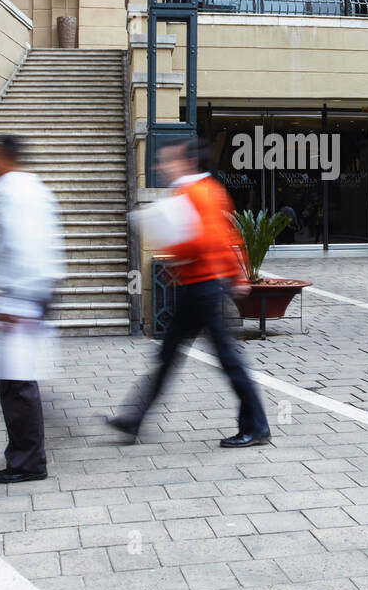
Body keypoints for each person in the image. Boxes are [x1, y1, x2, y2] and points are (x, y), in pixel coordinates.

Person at [107, 137, 271, 448]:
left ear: (186, 162)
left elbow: (204, 241)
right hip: (200, 288)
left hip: (204, 289)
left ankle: (257, 427)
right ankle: (133, 419)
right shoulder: (206, 190)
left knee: (225, 360)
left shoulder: (196, 193)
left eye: (167, 160)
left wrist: (172, 246)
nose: (161, 166)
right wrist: (236, 275)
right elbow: (228, 238)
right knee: (171, 356)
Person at [0, 134, 66, 483]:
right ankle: (27, 454)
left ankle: (28, 461)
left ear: (2, 158)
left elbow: (21, 245)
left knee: (17, 384)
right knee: (15, 380)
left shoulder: (10, 193)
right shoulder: (36, 189)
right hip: (34, 292)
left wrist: (15, 301)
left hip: (21, 294)